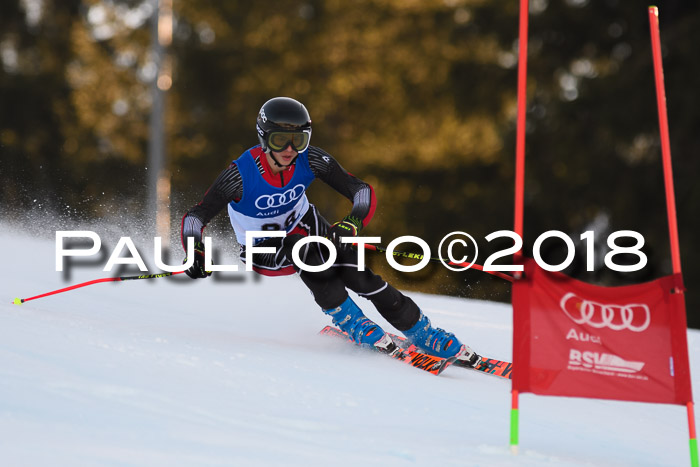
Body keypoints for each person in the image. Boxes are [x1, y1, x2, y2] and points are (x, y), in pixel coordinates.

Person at [180, 96, 480, 366]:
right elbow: (196, 217)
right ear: (263, 138)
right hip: (262, 247)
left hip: (305, 225)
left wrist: (352, 222)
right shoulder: (239, 175)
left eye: (298, 140)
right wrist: (195, 251)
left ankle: (422, 331)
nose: (289, 150)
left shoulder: (310, 159)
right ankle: (351, 321)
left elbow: (360, 190)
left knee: (357, 272)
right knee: (307, 251)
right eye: (279, 140)